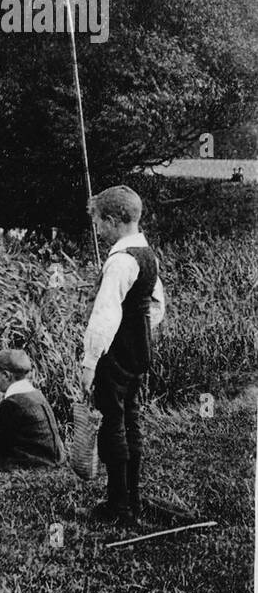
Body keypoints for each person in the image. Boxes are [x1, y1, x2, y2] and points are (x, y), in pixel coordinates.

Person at [80, 185, 166, 526]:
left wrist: (89, 362)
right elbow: (156, 306)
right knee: (131, 419)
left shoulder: (119, 262)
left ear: (114, 220)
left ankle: (118, 506)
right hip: (138, 351)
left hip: (113, 354)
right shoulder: (148, 255)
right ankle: (132, 497)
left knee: (112, 423)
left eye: (100, 222)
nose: (98, 229)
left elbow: (104, 317)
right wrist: (140, 332)